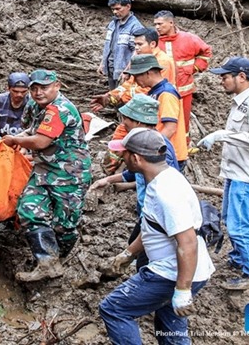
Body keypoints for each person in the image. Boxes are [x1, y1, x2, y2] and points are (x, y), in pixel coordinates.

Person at [99, 128, 215, 344]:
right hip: (190, 272)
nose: (121, 158)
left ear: (135, 158)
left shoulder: (166, 193)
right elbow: (154, 227)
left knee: (114, 309)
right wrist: (127, 254)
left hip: (171, 274)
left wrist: (182, 289)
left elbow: (187, 243)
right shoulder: (166, 178)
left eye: (123, 154)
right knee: (170, 329)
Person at [2, 69, 92, 282]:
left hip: (70, 173)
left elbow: (41, 141)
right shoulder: (34, 105)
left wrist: (14, 141)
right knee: (29, 210)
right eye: (34, 88)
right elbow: (30, 131)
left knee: (65, 224)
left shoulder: (60, 109)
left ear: (57, 86)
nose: (38, 92)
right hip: (44, 169)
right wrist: (16, 138)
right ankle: (46, 262)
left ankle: (58, 262)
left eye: (44, 87)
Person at [198, 57, 249, 291]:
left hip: (248, 175)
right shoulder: (241, 102)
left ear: (241, 77)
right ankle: (239, 259)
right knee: (230, 218)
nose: (222, 81)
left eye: (225, 76)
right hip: (237, 170)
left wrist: (221, 135)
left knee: (238, 225)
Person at [90, 94, 179, 269]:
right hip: (146, 210)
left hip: (156, 212)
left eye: (126, 119)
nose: (123, 123)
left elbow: (168, 186)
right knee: (137, 243)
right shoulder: (143, 144)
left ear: (138, 122)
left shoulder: (158, 148)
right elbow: (133, 174)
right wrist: (107, 180)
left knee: (147, 254)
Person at [154, 10, 212, 141]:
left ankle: (184, 146)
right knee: (163, 119)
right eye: (155, 24)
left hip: (184, 90)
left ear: (171, 23)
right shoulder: (154, 41)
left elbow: (206, 52)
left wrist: (195, 68)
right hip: (162, 92)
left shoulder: (189, 38)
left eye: (160, 24)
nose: (157, 27)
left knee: (183, 120)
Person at [124, 54, 188, 170]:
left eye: (137, 76)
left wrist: (150, 149)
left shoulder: (166, 93)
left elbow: (170, 128)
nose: (135, 80)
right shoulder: (155, 92)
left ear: (148, 73)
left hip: (168, 154)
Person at [91, 27, 176, 112]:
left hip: (157, 109)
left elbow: (146, 91)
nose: (136, 48)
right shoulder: (141, 59)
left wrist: (117, 97)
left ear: (152, 44)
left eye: (140, 44)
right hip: (142, 107)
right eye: (135, 44)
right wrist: (110, 96)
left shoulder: (162, 62)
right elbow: (130, 83)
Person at [98, 0, 143, 90]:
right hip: (111, 67)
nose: (115, 12)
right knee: (113, 96)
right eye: (113, 9)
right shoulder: (113, 23)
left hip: (123, 69)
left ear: (128, 6)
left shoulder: (135, 27)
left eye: (118, 9)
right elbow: (108, 45)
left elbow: (137, 51)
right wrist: (103, 63)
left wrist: (127, 71)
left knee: (122, 98)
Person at [0, 72, 31, 137]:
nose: (19, 95)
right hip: (4, 139)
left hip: (24, 140)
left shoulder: (32, 102)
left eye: (23, 92)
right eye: (15, 91)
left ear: (28, 90)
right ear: (8, 88)